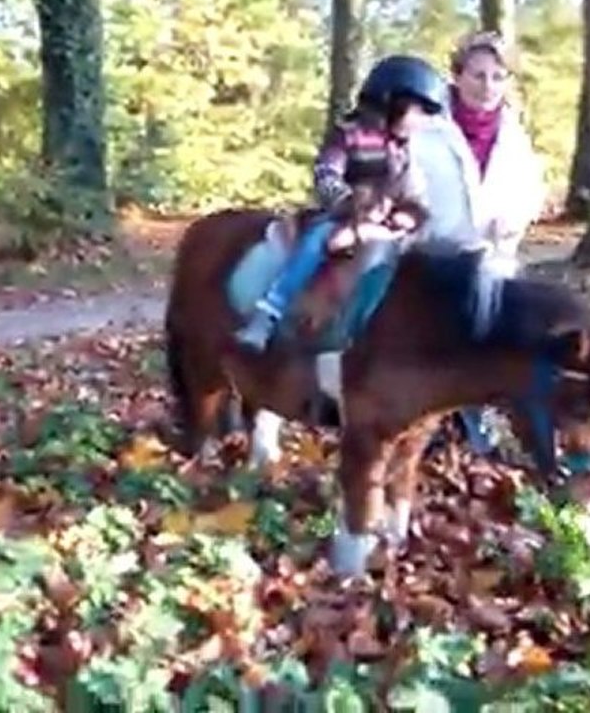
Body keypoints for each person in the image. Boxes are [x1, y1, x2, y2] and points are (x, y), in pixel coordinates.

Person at [234, 55, 448, 352]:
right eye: (420, 110)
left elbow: (414, 193)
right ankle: (270, 310)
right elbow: (326, 173)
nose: (423, 121)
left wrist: (411, 214)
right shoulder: (350, 133)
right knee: (318, 243)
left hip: (383, 226)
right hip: (340, 217)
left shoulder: (404, 151)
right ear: (393, 101)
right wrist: (350, 204)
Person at [412, 31, 546, 454]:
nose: (487, 87)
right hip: (431, 257)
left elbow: (531, 193)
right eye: (478, 75)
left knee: (501, 338)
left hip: (494, 260)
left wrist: (515, 218)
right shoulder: (427, 128)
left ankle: (481, 429)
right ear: (457, 76)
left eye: (497, 77)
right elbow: (404, 185)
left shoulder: (515, 137)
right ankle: (425, 423)